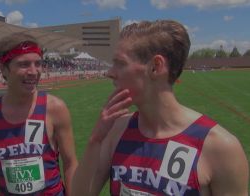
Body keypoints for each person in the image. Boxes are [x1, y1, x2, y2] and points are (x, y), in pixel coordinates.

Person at [72, 20, 249, 196]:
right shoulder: (117, 130)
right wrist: (95, 140)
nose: (110, 72)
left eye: (120, 63)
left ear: (155, 67)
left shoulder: (220, 148)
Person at [0, 33, 78, 195]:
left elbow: (70, 164)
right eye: (24, 64)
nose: (33, 72)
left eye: (38, 64)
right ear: (3, 69)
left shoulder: (55, 108)